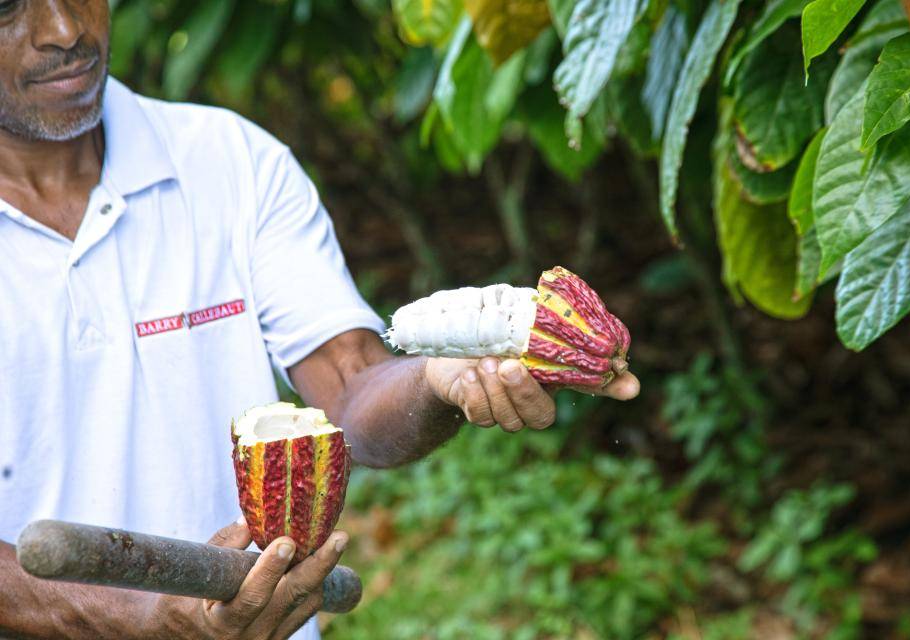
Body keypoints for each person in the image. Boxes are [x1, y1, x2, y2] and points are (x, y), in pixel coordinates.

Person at [0, 1, 640, 639]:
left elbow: (349, 389)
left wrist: (437, 381)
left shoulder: (230, 162)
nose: (66, 30)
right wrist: (140, 622)